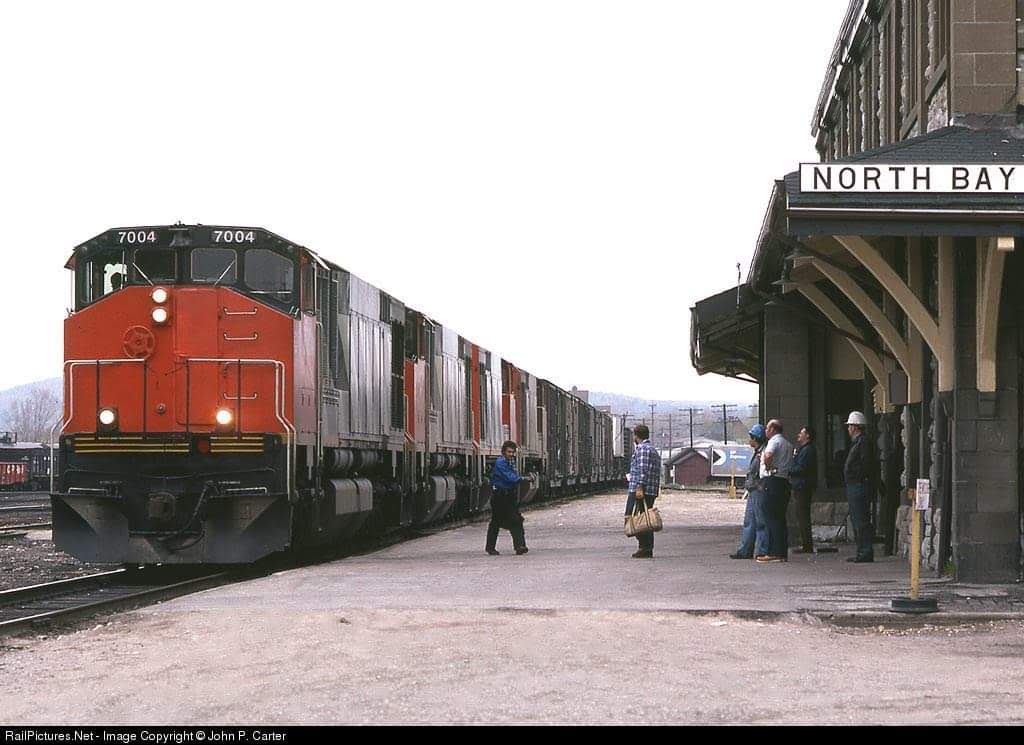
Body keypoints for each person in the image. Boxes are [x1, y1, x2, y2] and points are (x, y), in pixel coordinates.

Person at [756, 419, 794, 564]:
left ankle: (773, 552)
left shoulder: (774, 441)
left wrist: (768, 466)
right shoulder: (788, 444)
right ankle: (781, 552)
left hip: (772, 480)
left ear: (773, 429)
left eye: (767, 428)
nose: (765, 431)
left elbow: (768, 455)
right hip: (783, 480)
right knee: (780, 518)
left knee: (770, 517)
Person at [730, 424, 767, 560]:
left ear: (755, 438)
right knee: (749, 522)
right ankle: (745, 550)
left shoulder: (762, 453)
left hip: (758, 489)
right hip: (753, 490)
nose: (749, 440)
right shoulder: (758, 452)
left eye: (751, 437)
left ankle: (761, 550)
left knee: (760, 522)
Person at [486, 440, 529, 556]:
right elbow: (510, 477)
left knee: (515, 519)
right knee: (499, 521)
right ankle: (517, 546)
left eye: (513, 452)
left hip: (509, 495)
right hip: (500, 496)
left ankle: (519, 546)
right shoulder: (501, 463)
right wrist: (522, 479)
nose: (511, 454)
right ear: (503, 452)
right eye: (509, 452)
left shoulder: (510, 462)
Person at [625, 424, 661, 559]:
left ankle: (644, 547)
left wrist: (639, 486)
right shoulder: (651, 448)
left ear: (636, 436)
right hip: (648, 489)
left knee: (634, 518)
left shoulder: (643, 449)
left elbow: (642, 469)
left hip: (641, 489)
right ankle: (646, 547)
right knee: (644, 518)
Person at [844, 412, 875, 563]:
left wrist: (859, 476)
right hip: (855, 484)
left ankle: (865, 551)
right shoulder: (858, 442)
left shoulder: (862, 443)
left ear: (855, 427)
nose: (848, 429)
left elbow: (866, 464)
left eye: (850, 426)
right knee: (857, 519)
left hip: (859, 484)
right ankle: (861, 551)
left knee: (861, 520)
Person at [790, 426, 818, 554]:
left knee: (803, 516)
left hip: (803, 486)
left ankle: (807, 545)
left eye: (801, 433)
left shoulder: (807, 450)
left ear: (807, 435)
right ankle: (806, 544)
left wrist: (789, 470)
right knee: (802, 515)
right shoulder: (804, 450)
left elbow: (801, 468)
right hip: (801, 485)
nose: (798, 435)